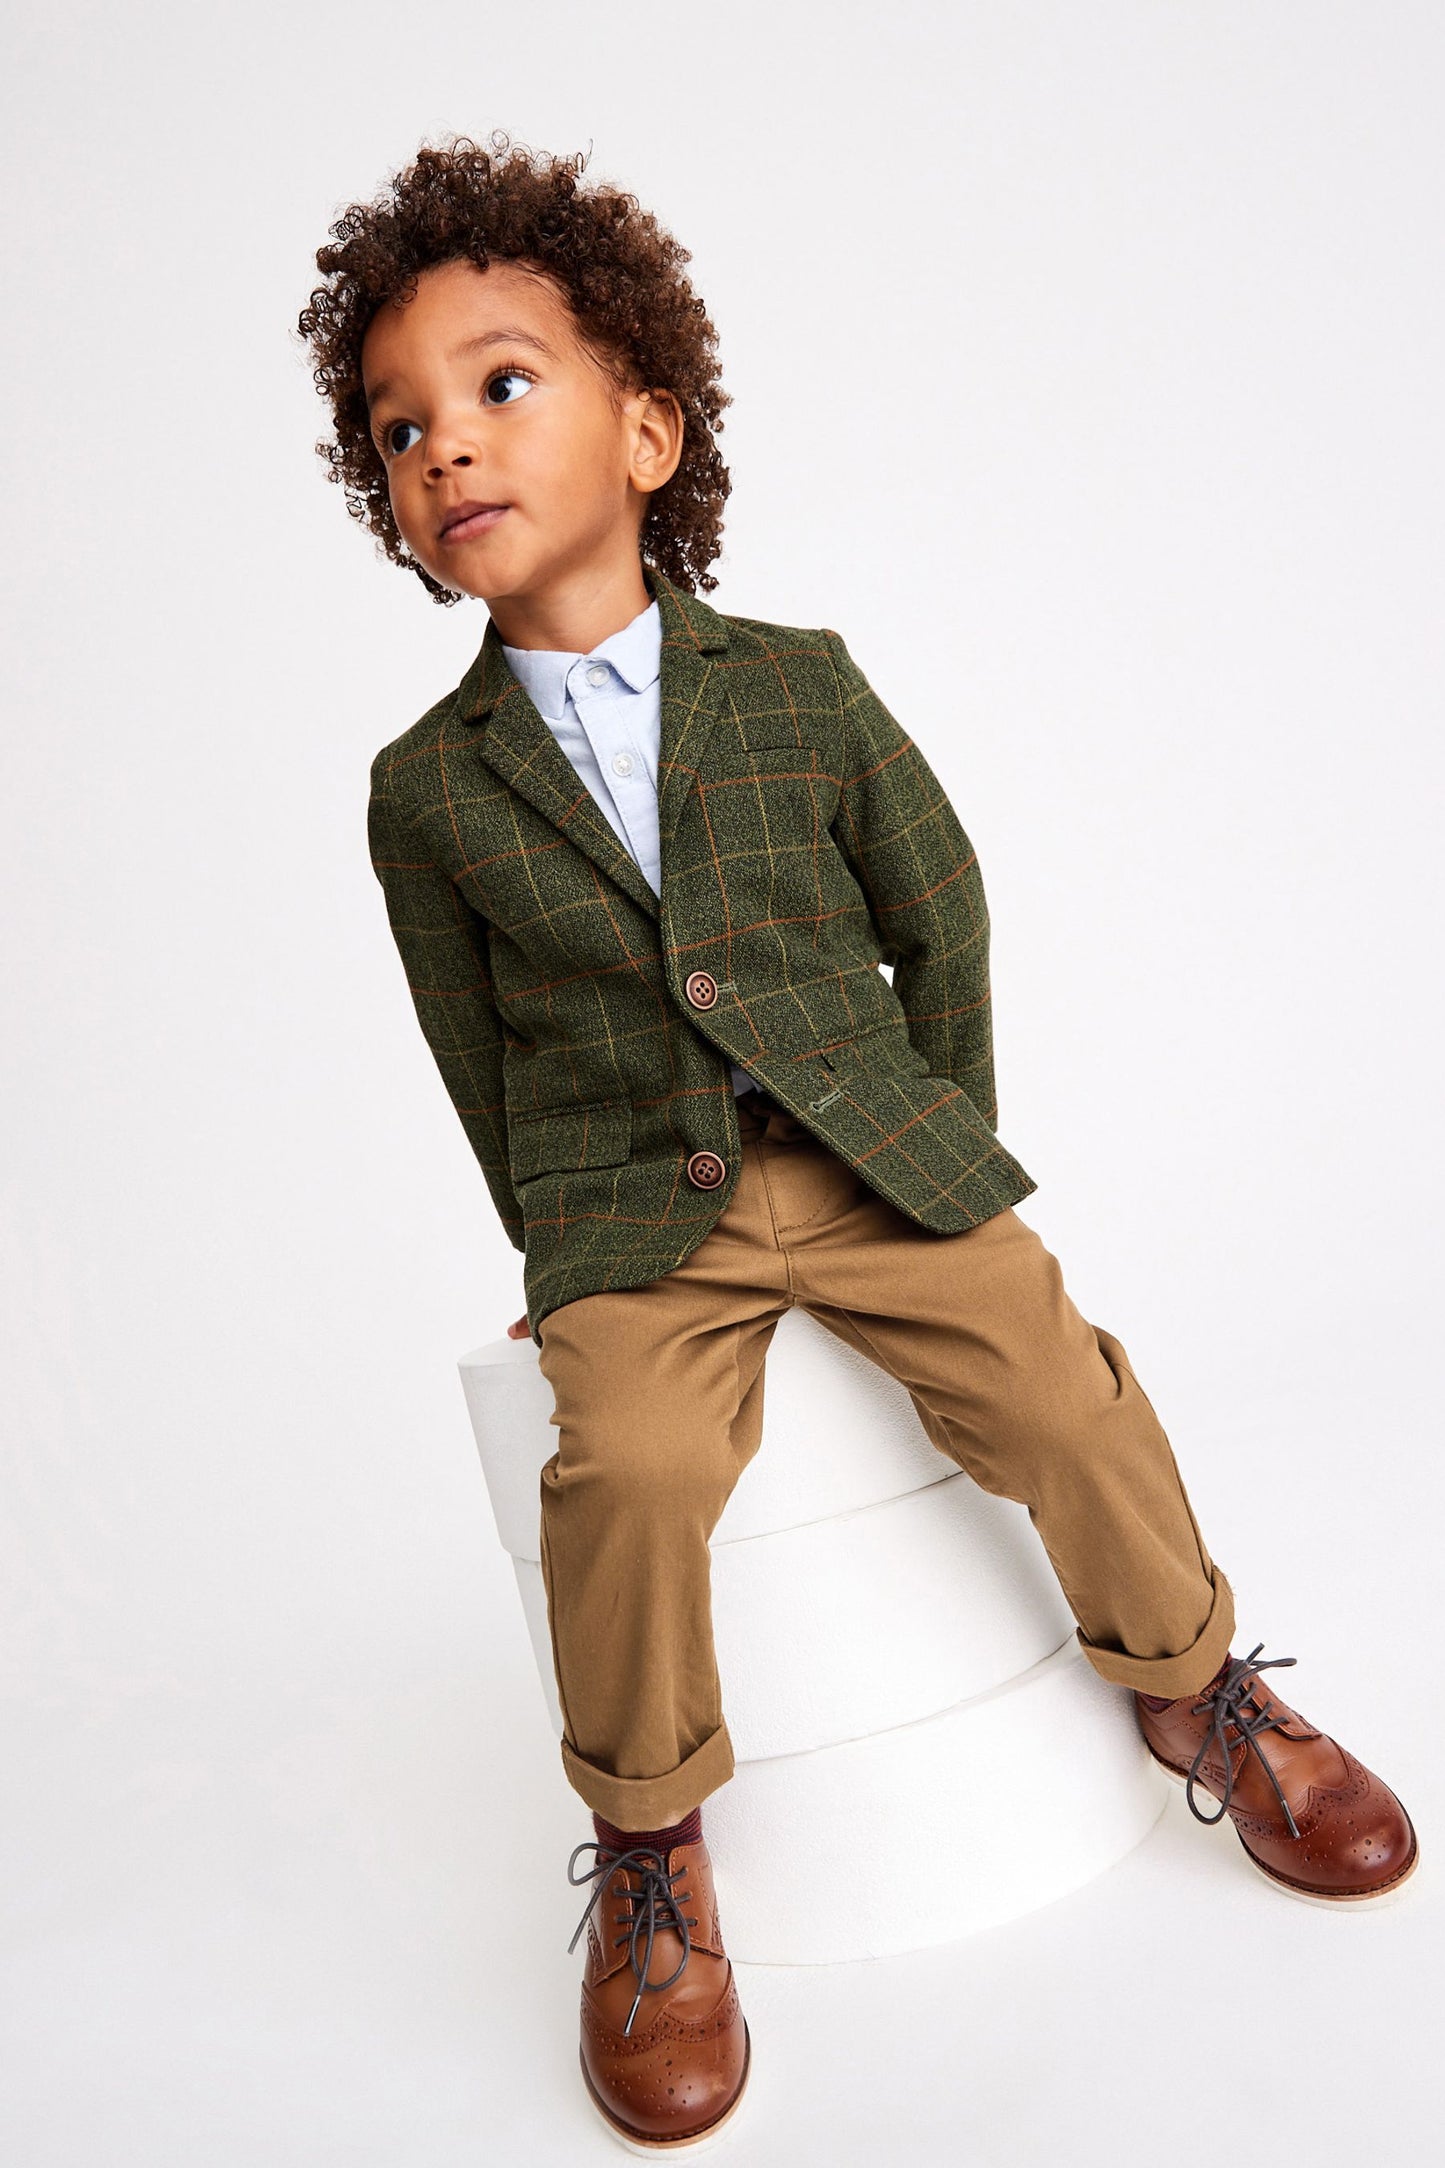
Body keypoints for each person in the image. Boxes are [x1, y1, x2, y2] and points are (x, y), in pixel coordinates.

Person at [298, 132, 1418, 2155]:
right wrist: (562, 1252)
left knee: (1060, 1389)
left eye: (500, 385)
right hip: (634, 1210)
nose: (443, 444)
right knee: (625, 1472)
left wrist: (940, 1143)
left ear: (647, 433)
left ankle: (1194, 1684)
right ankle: (653, 1852)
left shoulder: (800, 690)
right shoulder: (425, 791)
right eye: (397, 428)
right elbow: (473, 1052)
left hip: (867, 1151)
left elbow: (940, 911)